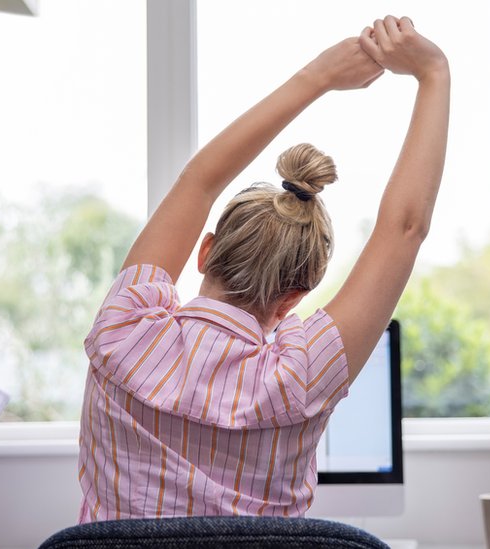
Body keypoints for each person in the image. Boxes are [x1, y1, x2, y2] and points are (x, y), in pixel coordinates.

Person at [78, 15, 449, 522]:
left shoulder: (124, 327)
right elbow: (404, 230)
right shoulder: (301, 375)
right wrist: (434, 73)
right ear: (295, 295)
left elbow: (198, 183)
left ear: (204, 250)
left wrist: (318, 77)